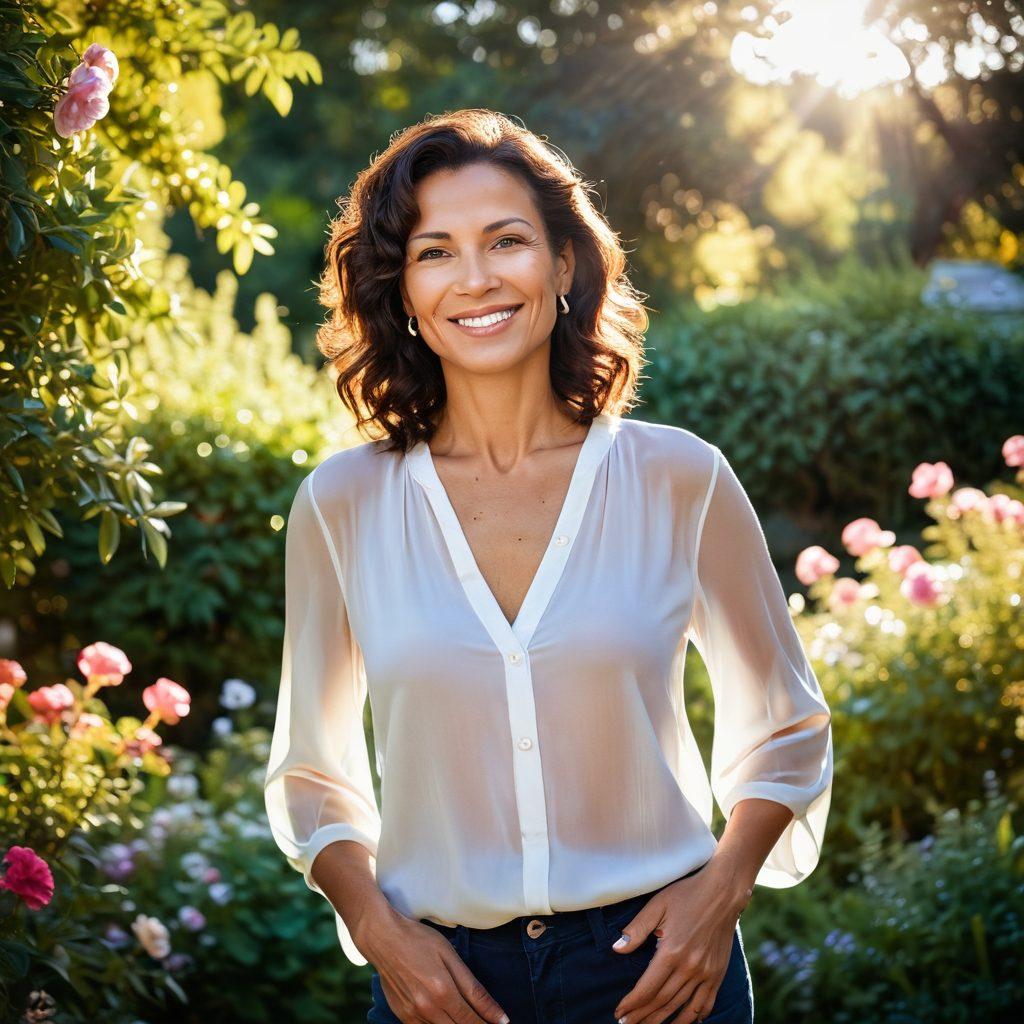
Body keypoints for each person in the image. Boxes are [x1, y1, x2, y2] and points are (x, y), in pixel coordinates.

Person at [264, 108, 833, 1024]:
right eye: (435, 252)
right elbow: (312, 775)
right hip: (439, 985)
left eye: (507, 241)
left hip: (658, 974)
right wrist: (377, 930)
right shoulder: (342, 504)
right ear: (401, 289)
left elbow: (789, 726)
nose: (476, 278)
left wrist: (722, 891)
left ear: (564, 264)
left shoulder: (679, 477)